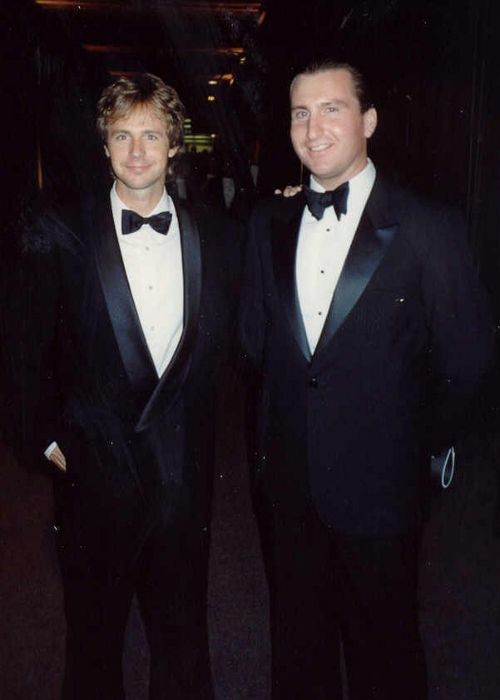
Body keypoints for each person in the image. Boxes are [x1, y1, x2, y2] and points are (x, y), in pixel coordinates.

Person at [239, 60, 496, 699]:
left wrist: (414, 452)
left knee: (385, 652)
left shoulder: (430, 227)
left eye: (332, 109)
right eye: (300, 112)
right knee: (299, 650)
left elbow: (468, 363)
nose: (313, 127)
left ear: (369, 120)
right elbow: (254, 343)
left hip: (382, 492)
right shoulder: (267, 223)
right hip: (291, 488)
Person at [14, 73, 242, 700]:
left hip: (181, 482)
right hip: (94, 477)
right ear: (105, 145)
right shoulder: (57, 231)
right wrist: (39, 439)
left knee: (183, 641)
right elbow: (22, 346)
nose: (137, 150)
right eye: (122, 135)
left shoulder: (220, 238)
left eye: (151, 134)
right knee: (92, 643)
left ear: (175, 144)